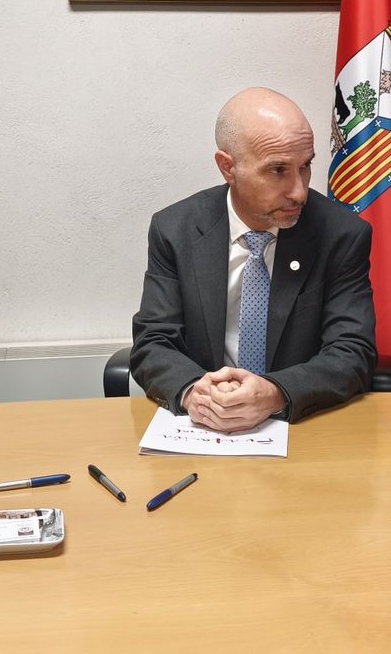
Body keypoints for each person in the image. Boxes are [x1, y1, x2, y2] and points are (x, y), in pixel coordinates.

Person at [130, 87, 376, 432]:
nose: (300, 191)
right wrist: (193, 393)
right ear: (227, 167)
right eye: (278, 170)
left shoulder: (340, 235)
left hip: (301, 429)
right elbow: (153, 342)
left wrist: (275, 392)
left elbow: (352, 353)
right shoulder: (176, 230)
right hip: (202, 430)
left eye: (305, 167)